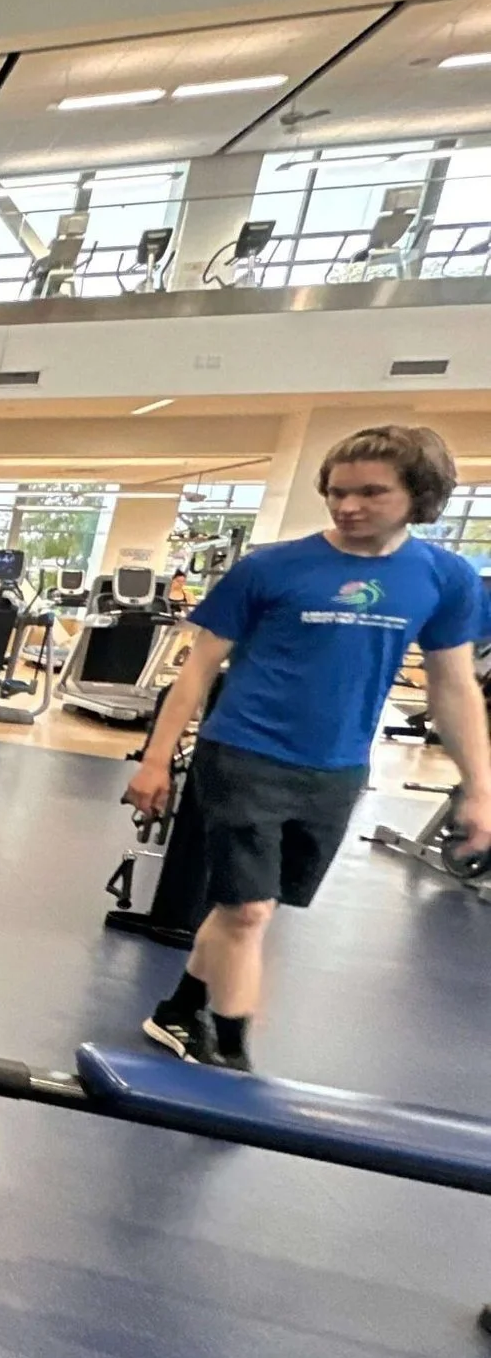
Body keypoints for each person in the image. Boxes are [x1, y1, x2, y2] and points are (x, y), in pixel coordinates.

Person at [127, 424, 491, 1072]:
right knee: (248, 910)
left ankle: (178, 1010)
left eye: (371, 492)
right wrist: (156, 761)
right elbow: (197, 668)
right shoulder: (269, 567)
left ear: (420, 495)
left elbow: (455, 686)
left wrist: (481, 789)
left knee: (250, 909)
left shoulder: (446, 577)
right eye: (337, 492)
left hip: (337, 769)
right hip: (242, 752)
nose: (348, 506)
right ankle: (229, 1055)